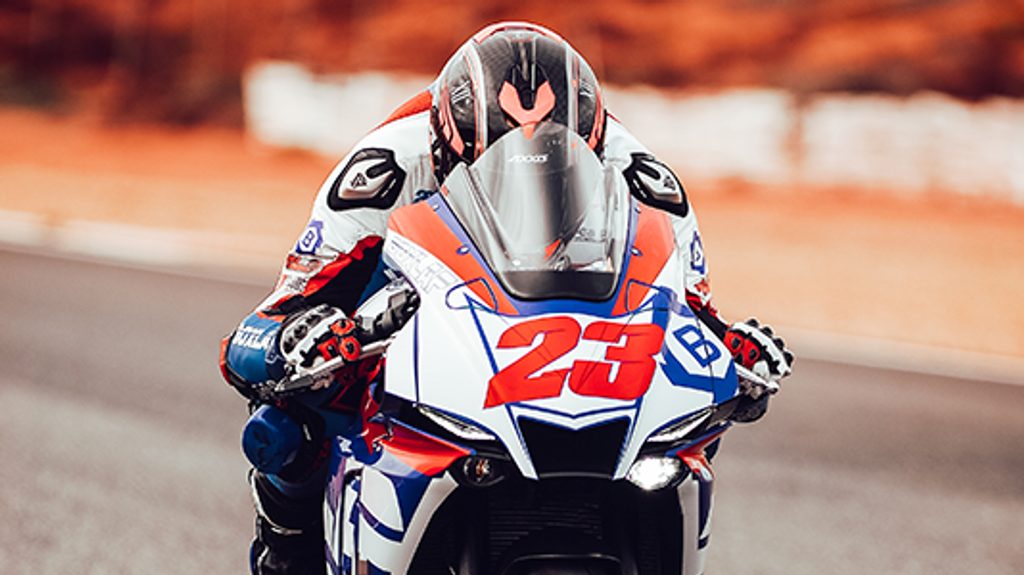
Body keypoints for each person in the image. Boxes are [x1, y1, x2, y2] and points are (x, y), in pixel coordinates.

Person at [219, 21, 794, 575]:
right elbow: (259, 332)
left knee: (692, 423)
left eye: (555, 173)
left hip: (564, 329)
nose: (528, 190)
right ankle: (287, 555)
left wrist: (733, 351)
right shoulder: (383, 170)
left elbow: (690, 312)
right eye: (495, 167)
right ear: (445, 145)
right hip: (406, 318)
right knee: (286, 423)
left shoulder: (641, 178)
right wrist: (299, 341)